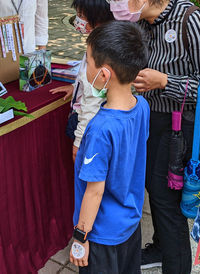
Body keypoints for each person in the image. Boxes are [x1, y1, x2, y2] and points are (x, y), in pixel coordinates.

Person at [103, 0, 200, 273]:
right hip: (157, 118)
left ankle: (176, 262)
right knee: (155, 188)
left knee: (167, 201)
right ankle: (161, 247)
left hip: (188, 124)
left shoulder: (193, 21)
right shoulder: (142, 23)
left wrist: (166, 82)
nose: (112, 6)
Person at [69, 20, 150, 273]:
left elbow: (94, 192)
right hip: (129, 223)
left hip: (101, 233)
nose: (85, 68)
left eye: (88, 61)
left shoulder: (100, 128)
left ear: (104, 75)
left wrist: (80, 236)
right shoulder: (142, 106)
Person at [50, 0, 114, 161]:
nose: (77, 20)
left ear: (98, 18)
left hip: (90, 125)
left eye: (81, 15)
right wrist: (75, 86)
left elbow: (93, 98)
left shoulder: (99, 49)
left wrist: (79, 141)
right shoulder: (102, 41)